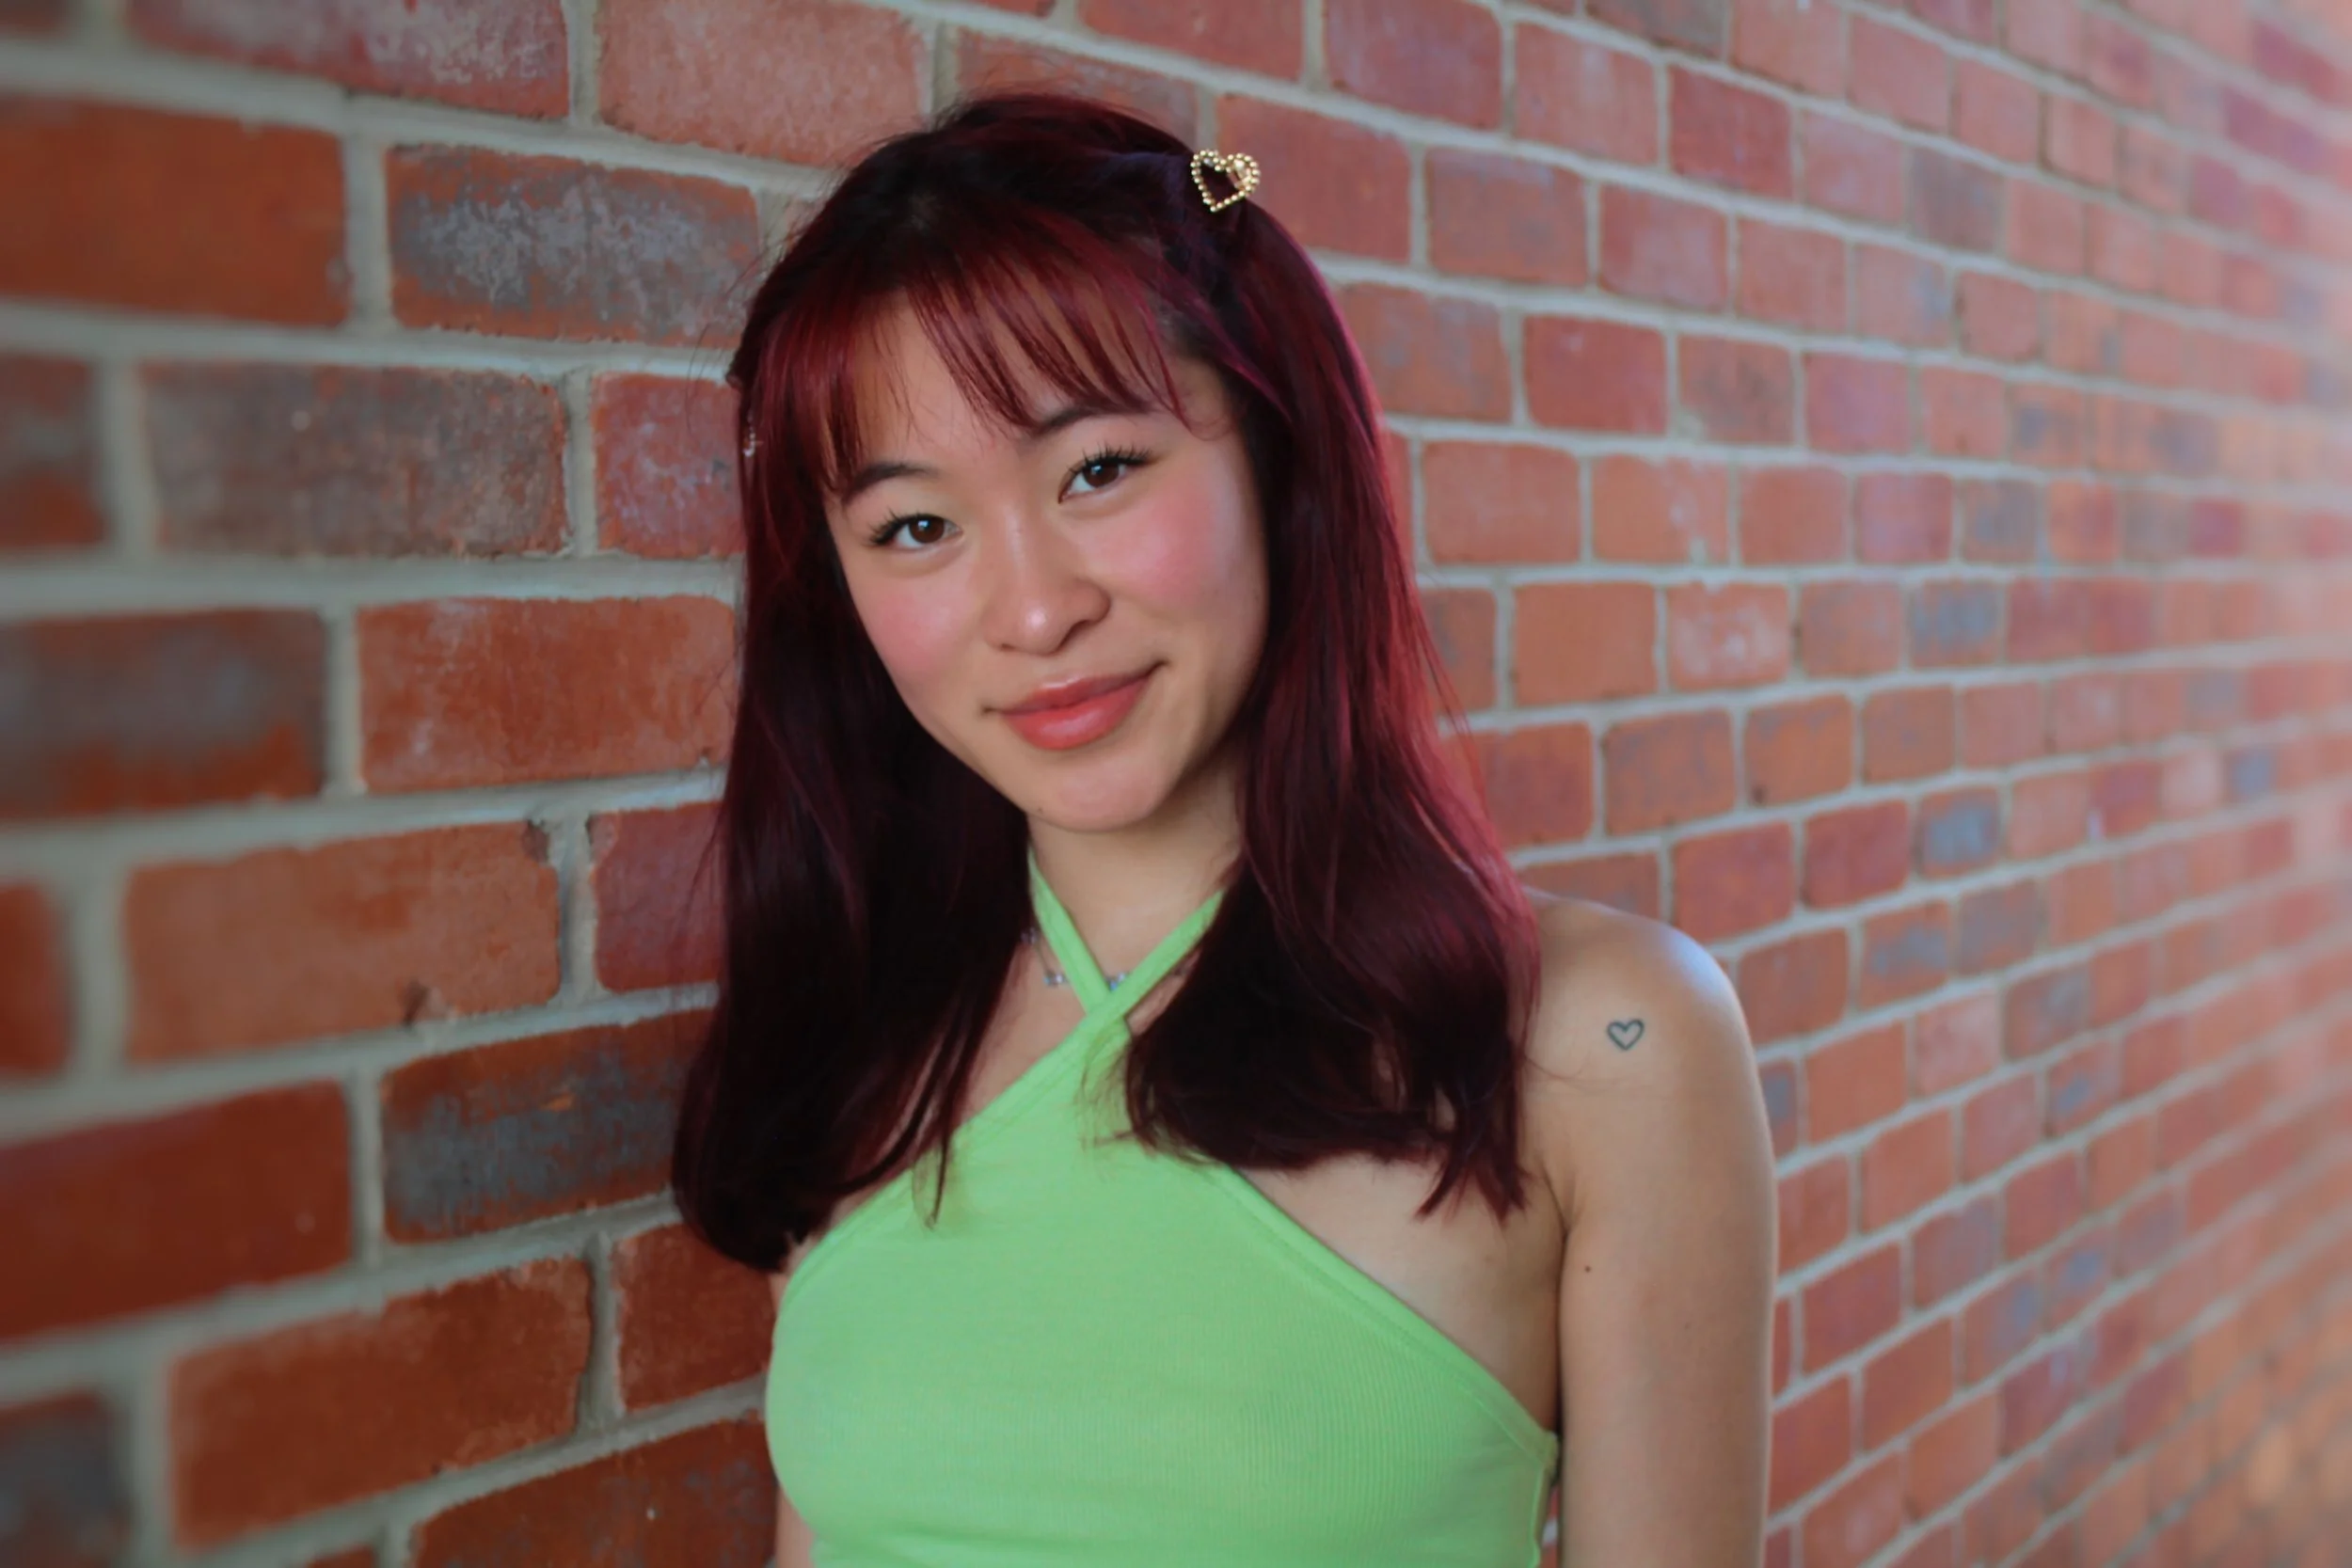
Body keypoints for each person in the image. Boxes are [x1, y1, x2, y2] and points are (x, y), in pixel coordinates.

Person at [670, 90, 1776, 1567]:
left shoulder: (1599, 1042)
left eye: (1099, 470)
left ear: (1280, 459)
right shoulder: (864, 1031)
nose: (1037, 608)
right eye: (917, 527)